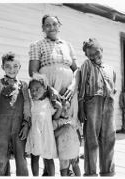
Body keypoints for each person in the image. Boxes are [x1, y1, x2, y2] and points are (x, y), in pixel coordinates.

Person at [28, 14, 81, 176]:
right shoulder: (37, 45)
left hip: (68, 90)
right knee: (48, 126)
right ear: (43, 28)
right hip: (49, 88)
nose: (52, 27)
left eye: (54, 24)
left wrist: (73, 85)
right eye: (47, 25)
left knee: (68, 124)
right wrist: (50, 89)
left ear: (60, 26)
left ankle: (70, 166)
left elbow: (76, 69)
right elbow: (33, 71)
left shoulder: (67, 45)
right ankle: (48, 169)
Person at [78, 38, 117, 176]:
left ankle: (108, 171)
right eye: (91, 55)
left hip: (108, 104)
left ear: (102, 50)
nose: (95, 57)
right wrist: (81, 108)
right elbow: (81, 88)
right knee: (91, 139)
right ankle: (91, 172)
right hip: (92, 103)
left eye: (97, 53)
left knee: (109, 137)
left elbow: (113, 87)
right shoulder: (87, 65)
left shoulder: (110, 68)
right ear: (87, 56)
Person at [0, 52, 30, 176]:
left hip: (19, 126)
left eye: (15, 66)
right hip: (1, 127)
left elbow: (27, 105)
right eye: (8, 66)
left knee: (21, 158)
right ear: (2, 67)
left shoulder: (23, 85)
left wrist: (26, 123)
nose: (12, 69)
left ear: (19, 67)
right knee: (2, 159)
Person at [25, 73, 60, 176]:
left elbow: (55, 116)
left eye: (37, 89)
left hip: (47, 135)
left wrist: (60, 107)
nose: (34, 92)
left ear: (45, 89)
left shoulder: (49, 102)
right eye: (32, 90)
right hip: (35, 134)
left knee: (48, 158)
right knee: (34, 158)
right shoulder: (31, 103)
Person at [52, 97, 81, 176]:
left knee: (75, 164)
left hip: (74, 147)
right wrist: (63, 128)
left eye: (68, 108)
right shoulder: (57, 122)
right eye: (63, 109)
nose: (66, 110)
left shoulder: (73, 120)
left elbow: (77, 132)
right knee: (64, 168)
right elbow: (54, 134)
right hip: (63, 149)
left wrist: (79, 143)